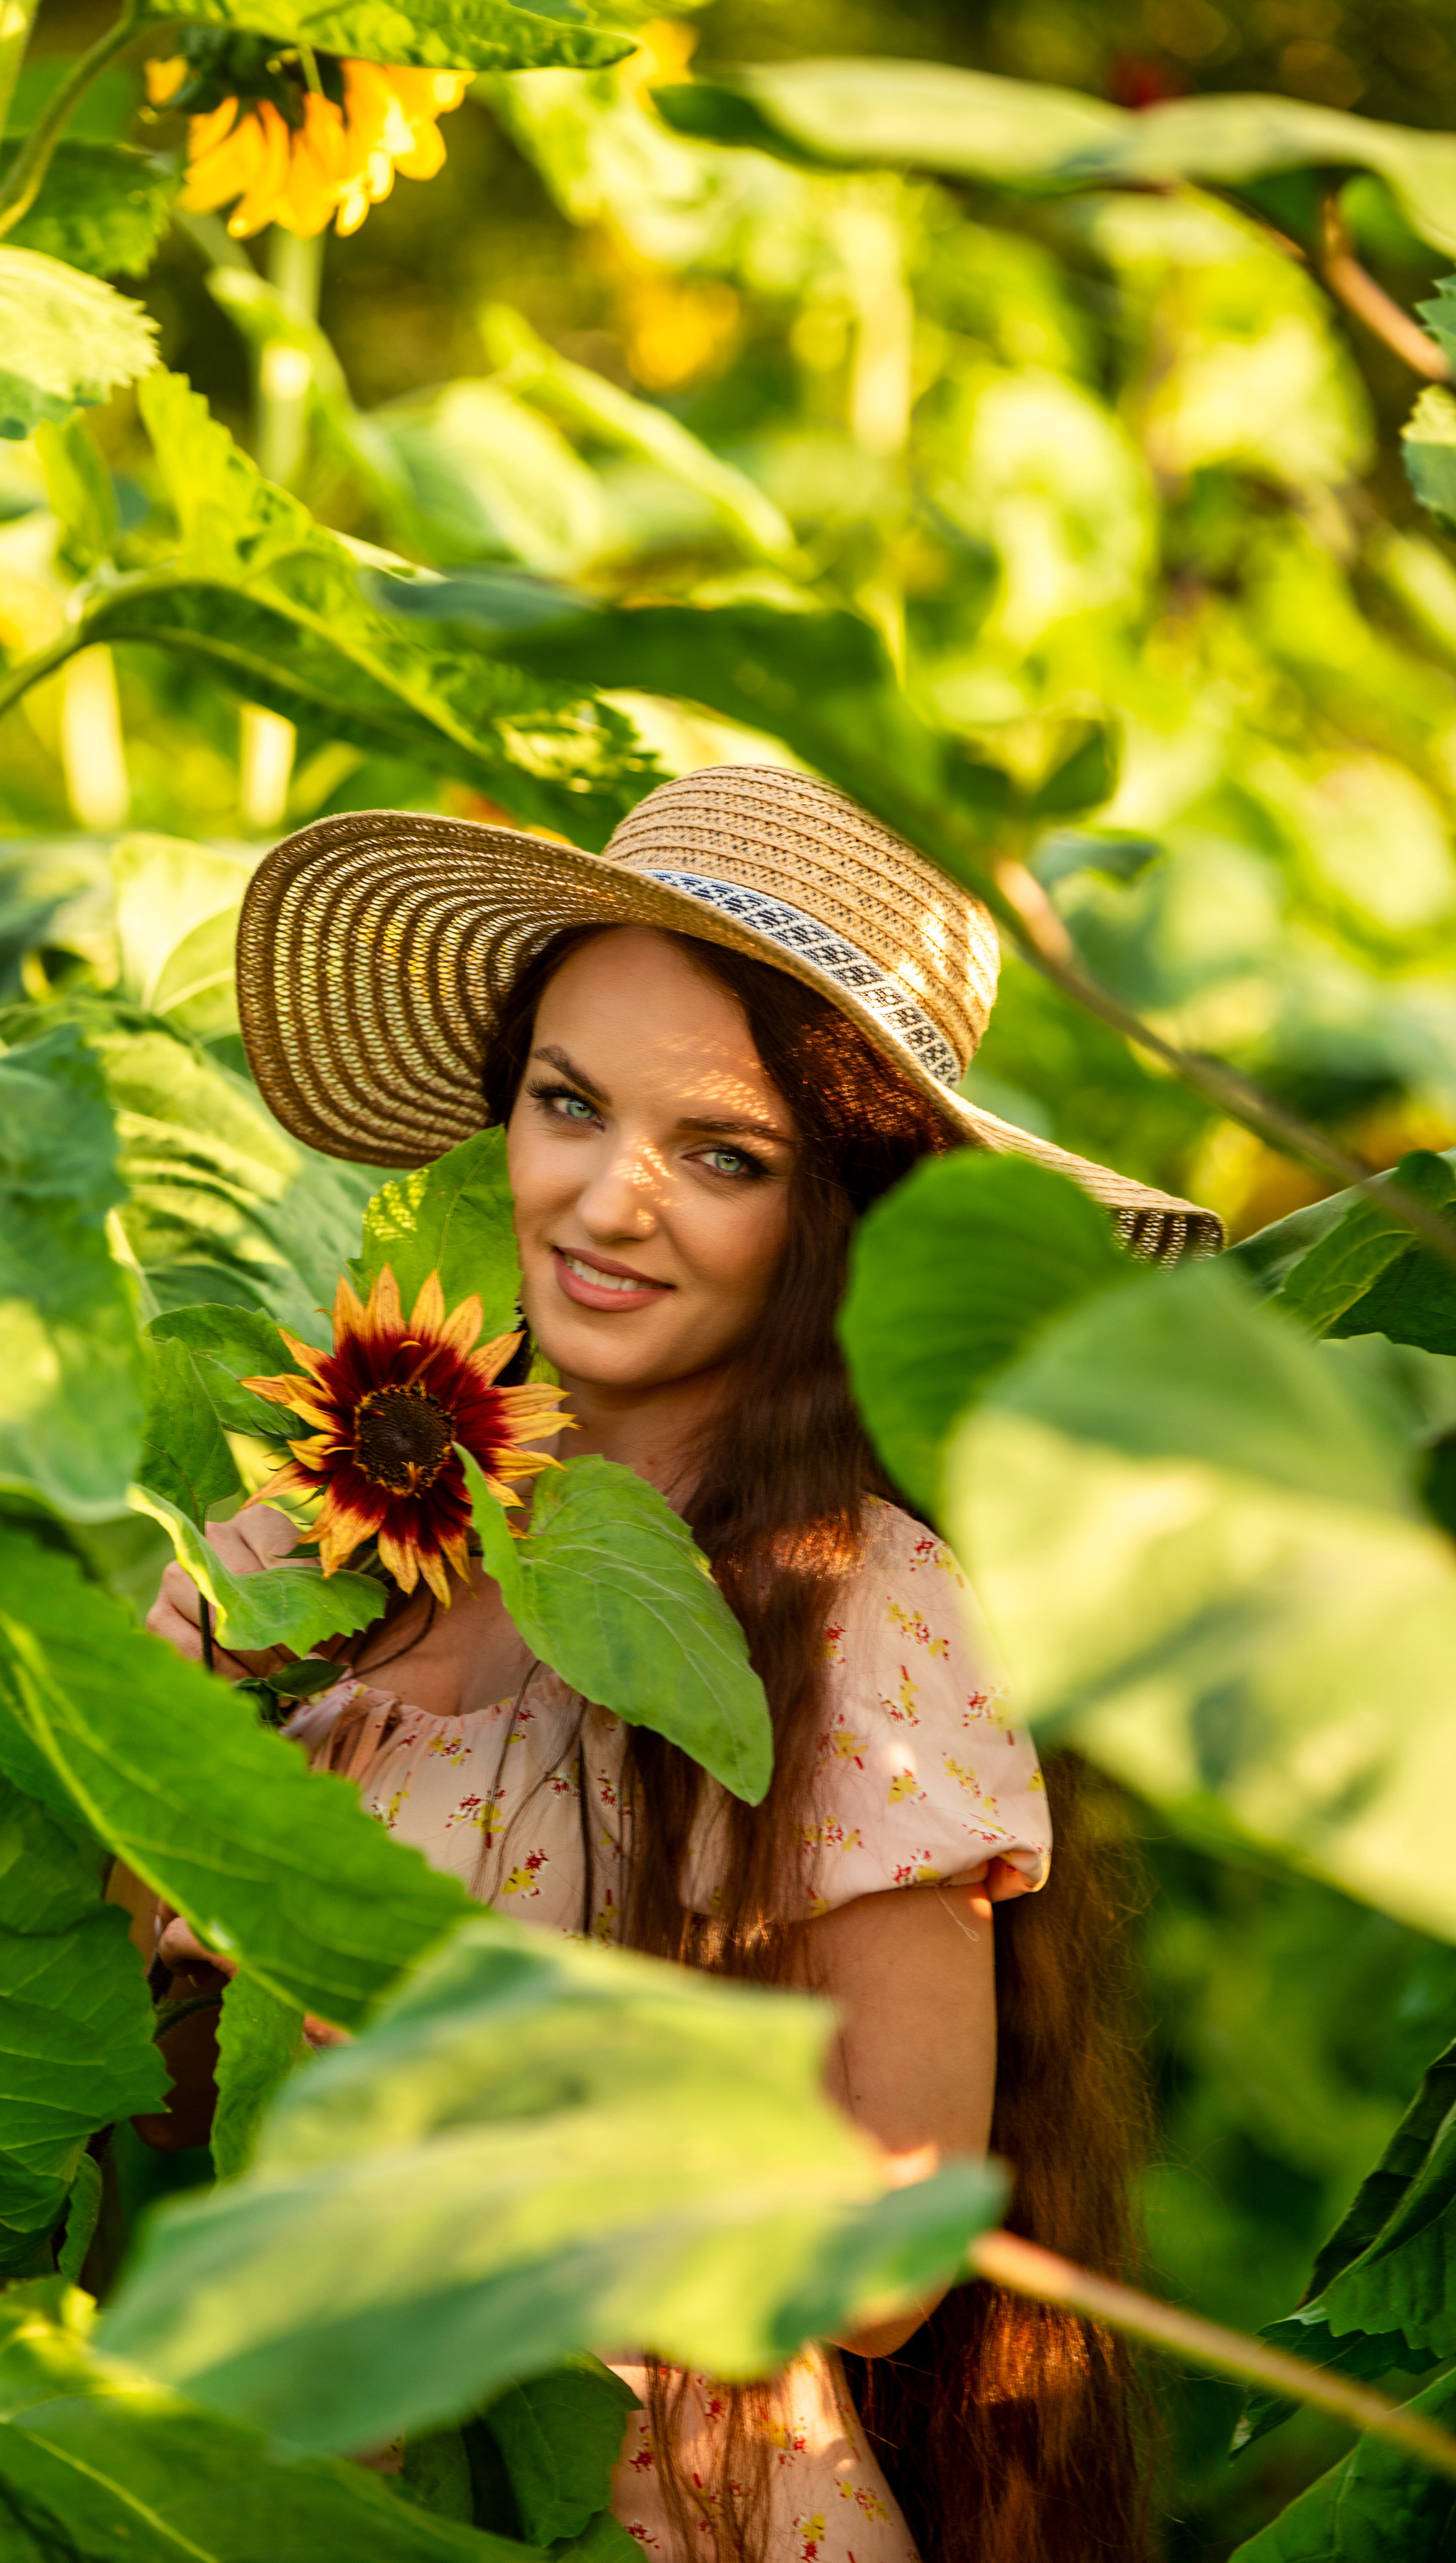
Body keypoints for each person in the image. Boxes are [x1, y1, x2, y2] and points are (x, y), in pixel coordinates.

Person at [146, 766, 1220, 2563]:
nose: (607, 1201)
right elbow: (154, 2102)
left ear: (841, 1212)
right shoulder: (339, 1542)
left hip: (651, 2513)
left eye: (719, 1156)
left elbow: (891, 2253)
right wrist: (150, 1761)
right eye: (569, 1106)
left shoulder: (850, 1609)